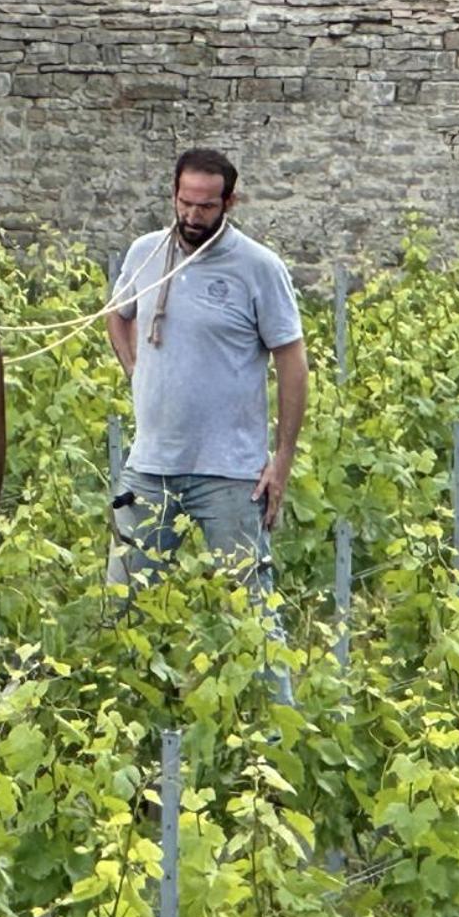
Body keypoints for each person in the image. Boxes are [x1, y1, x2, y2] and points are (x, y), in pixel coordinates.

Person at [105, 149, 308, 707]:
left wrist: (282, 459)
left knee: (253, 616)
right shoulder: (146, 253)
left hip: (231, 473)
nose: (193, 216)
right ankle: (129, 735)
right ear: (173, 195)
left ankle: (273, 737)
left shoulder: (258, 267)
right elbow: (117, 316)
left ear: (230, 202)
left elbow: (292, 361)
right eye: (184, 203)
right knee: (124, 608)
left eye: (206, 206)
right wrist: (137, 373)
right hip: (149, 467)